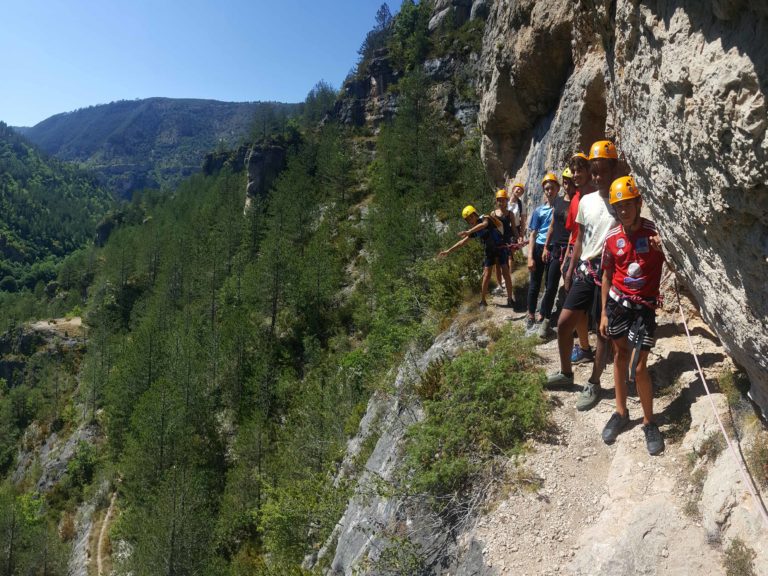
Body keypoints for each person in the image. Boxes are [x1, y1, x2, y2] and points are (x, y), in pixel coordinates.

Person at [546, 140, 619, 412]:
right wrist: (569, 267)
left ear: (614, 170)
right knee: (564, 322)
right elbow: (579, 239)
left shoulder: (619, 200)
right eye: (595, 171)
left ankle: (595, 382)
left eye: (603, 171)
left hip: (609, 272)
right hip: (587, 270)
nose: (598, 176)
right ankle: (566, 373)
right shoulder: (586, 201)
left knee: (602, 331)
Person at [599, 176, 666, 455]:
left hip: (644, 307)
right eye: (618, 207)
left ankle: (649, 422)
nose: (623, 211)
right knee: (619, 356)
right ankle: (621, 411)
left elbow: (672, 258)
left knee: (638, 366)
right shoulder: (613, 238)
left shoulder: (654, 233)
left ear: (638, 203)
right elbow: (606, 274)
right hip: (618, 305)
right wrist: (603, 312)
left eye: (628, 204)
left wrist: (665, 249)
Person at [438, 205, 512, 308]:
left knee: (505, 272)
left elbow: (484, 225)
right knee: (486, 275)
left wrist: (469, 231)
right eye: (468, 220)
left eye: (471, 217)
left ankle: (510, 299)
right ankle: (483, 300)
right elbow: (462, 242)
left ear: (475, 214)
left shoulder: (485, 218)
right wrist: (448, 251)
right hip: (490, 251)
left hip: (500, 247)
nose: (470, 220)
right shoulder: (474, 230)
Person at [563, 153, 594, 363]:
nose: (575, 175)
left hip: (597, 257)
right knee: (578, 309)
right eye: (573, 171)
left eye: (579, 170)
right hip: (579, 254)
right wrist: (568, 261)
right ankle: (584, 347)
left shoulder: (597, 196)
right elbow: (575, 234)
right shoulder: (575, 199)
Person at [538, 167, 572, 338]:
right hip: (556, 248)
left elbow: (575, 231)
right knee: (550, 285)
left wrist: (567, 258)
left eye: (570, 182)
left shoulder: (577, 202)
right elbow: (552, 225)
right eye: (565, 182)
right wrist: (545, 246)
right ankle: (544, 319)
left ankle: (571, 323)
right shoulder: (558, 202)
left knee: (569, 286)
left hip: (570, 250)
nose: (568, 185)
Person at [525, 173, 557, 332]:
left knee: (551, 285)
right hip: (539, 247)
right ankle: (531, 314)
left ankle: (543, 314)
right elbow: (533, 234)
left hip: (554, 248)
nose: (549, 191)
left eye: (552, 188)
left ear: (557, 189)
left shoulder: (561, 208)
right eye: (546, 189)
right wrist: (530, 257)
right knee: (535, 283)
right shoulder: (539, 211)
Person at [492, 189, 517, 308]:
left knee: (505, 270)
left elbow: (514, 229)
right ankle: (499, 284)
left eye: (503, 200)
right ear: (497, 202)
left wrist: (518, 239)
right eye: (499, 200)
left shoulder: (510, 214)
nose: (501, 202)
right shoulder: (493, 214)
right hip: (496, 243)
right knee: (497, 264)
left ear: (506, 201)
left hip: (506, 243)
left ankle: (510, 297)